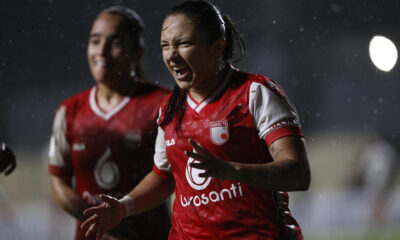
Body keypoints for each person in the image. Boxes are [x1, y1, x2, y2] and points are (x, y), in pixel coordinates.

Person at [81, 1, 311, 239]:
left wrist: (231, 170)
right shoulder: (169, 110)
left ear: (217, 47)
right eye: (165, 46)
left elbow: (298, 173)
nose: (172, 55)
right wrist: (123, 207)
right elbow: (164, 176)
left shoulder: (254, 93)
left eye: (183, 44)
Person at [48, 6, 171, 240]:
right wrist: (101, 224)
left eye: (114, 43)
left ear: (137, 52)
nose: (101, 51)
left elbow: (175, 178)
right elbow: (58, 184)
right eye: (95, 41)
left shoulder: (162, 104)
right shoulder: (69, 111)